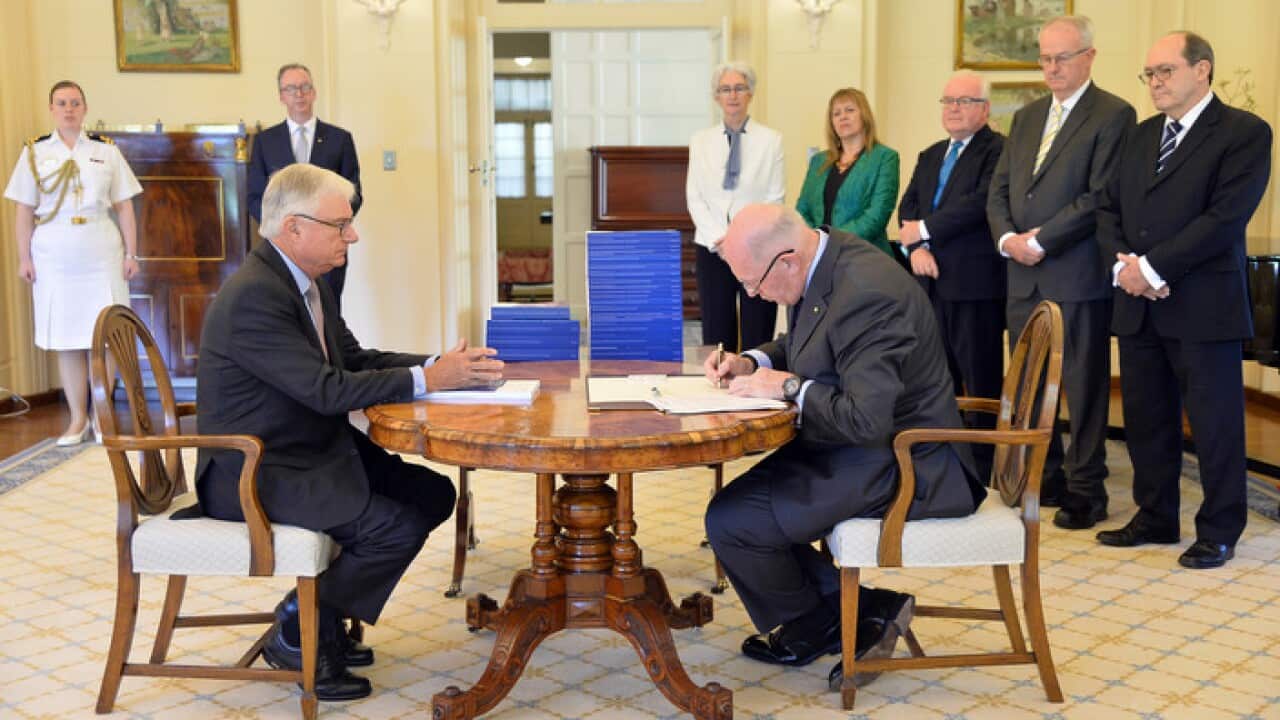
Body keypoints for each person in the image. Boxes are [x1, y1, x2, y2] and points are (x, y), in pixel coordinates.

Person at [195, 164, 503, 701]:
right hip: (256, 469)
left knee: (432, 492)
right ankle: (300, 628)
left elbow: (355, 359)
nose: (353, 235)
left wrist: (442, 366)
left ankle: (319, 616)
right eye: (341, 225)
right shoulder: (255, 296)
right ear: (294, 228)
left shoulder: (306, 282)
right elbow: (326, 390)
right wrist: (429, 380)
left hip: (307, 449)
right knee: (393, 527)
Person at [703, 203, 984, 691]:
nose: (753, 294)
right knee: (734, 513)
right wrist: (752, 362)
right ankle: (860, 612)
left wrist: (789, 388)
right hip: (858, 445)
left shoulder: (868, 292)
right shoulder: (824, 259)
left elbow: (865, 418)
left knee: (734, 521)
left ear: (787, 260)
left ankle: (829, 619)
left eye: (753, 284)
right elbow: (811, 342)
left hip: (907, 459)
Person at [1095, 32, 1272, 569]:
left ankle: (1220, 529)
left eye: (1166, 71)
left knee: (1214, 423)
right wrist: (1127, 269)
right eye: (1149, 74)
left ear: (1203, 70)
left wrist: (1152, 268)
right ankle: (1155, 515)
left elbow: (1224, 218)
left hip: (1202, 303)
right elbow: (1107, 209)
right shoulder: (1140, 134)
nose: (1155, 82)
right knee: (1148, 418)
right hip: (1140, 303)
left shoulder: (1244, 133)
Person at [986, 15, 1135, 531]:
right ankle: (1042, 475)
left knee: (1082, 385)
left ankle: (1085, 488)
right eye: (1045, 58)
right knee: (1027, 384)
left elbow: (1098, 197)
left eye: (1062, 57)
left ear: (1089, 57)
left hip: (1075, 273)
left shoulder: (1114, 114)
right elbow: (1000, 189)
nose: (1052, 67)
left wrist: (1041, 241)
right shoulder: (1026, 117)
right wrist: (1008, 239)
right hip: (1022, 277)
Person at [4, 80, 142, 446]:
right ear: (52, 109)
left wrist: (132, 253)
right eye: (62, 103)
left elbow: (125, 205)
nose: (69, 109)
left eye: (75, 103)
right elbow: (24, 209)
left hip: (100, 249)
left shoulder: (105, 151)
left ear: (84, 108)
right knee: (67, 339)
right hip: (55, 253)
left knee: (107, 336)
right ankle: (77, 419)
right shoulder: (35, 152)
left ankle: (103, 416)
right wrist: (24, 257)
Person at [898, 70, 1006, 482]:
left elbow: (979, 205)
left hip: (975, 286)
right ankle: (944, 463)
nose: (954, 109)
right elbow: (908, 207)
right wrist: (916, 247)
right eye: (948, 101)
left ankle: (982, 472)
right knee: (935, 379)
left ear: (985, 109)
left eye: (963, 101)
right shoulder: (930, 154)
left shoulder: (998, 151)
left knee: (978, 383)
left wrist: (924, 232)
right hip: (929, 285)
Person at [686, 61, 785, 352]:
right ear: (717, 96)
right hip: (712, 246)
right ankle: (720, 387)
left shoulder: (771, 140)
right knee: (718, 331)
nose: (732, 95)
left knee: (758, 328)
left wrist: (743, 239)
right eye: (725, 89)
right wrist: (724, 240)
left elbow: (774, 197)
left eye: (739, 88)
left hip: (757, 248)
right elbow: (695, 197)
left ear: (750, 93)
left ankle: (758, 384)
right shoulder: (700, 141)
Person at [247, 63, 362, 309]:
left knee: (328, 314)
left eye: (304, 87)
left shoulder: (339, 139)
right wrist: (283, 229)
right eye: (291, 88)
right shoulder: (265, 142)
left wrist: (330, 224)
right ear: (281, 96)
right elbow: (255, 197)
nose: (299, 94)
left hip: (327, 245)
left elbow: (354, 194)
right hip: (283, 249)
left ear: (314, 92)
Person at [795, 87, 899, 258]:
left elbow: (876, 216)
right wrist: (815, 240)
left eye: (850, 110)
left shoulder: (885, 158)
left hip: (864, 258)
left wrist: (830, 241)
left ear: (864, 115)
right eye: (836, 113)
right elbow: (802, 208)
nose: (843, 116)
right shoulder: (818, 161)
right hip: (819, 257)